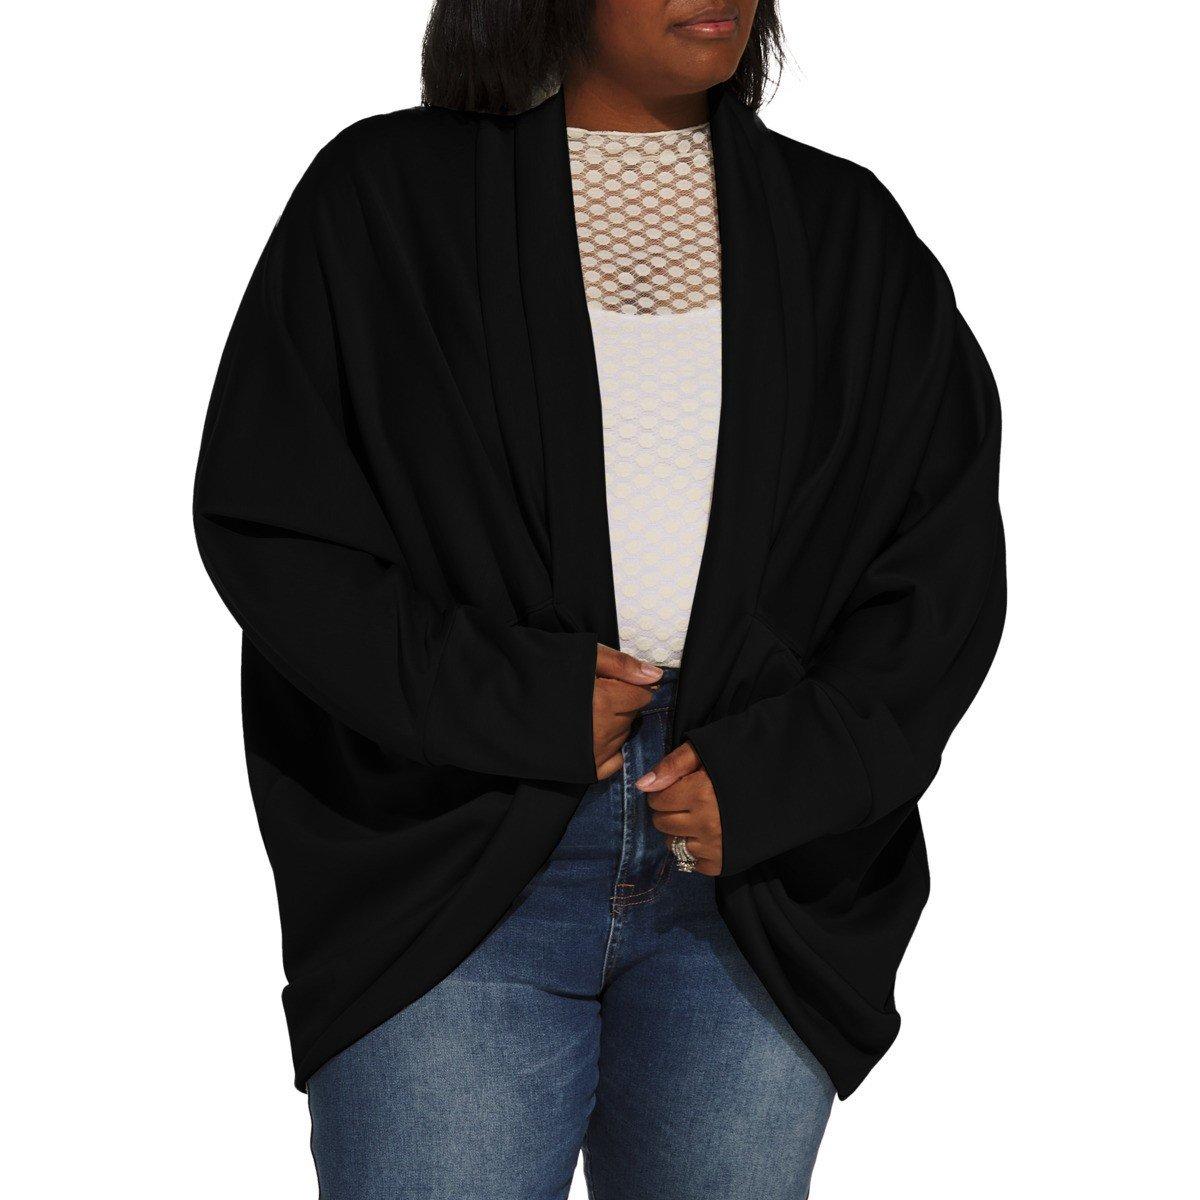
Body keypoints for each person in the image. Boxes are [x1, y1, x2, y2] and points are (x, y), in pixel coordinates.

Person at [194, 1, 1006, 1195]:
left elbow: (940, 566)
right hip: (450, 861)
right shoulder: (386, 198)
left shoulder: (846, 229)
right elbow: (278, 526)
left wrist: (782, 774)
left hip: (754, 880)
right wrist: (511, 701)